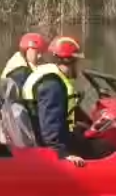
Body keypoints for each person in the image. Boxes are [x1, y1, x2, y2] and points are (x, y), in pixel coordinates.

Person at [21, 36, 93, 167]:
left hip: (54, 137)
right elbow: (50, 129)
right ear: (69, 60)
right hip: (51, 147)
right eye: (77, 61)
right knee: (103, 147)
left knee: (86, 133)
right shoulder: (53, 86)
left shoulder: (51, 75)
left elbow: (68, 108)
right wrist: (63, 154)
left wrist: (91, 124)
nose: (79, 66)